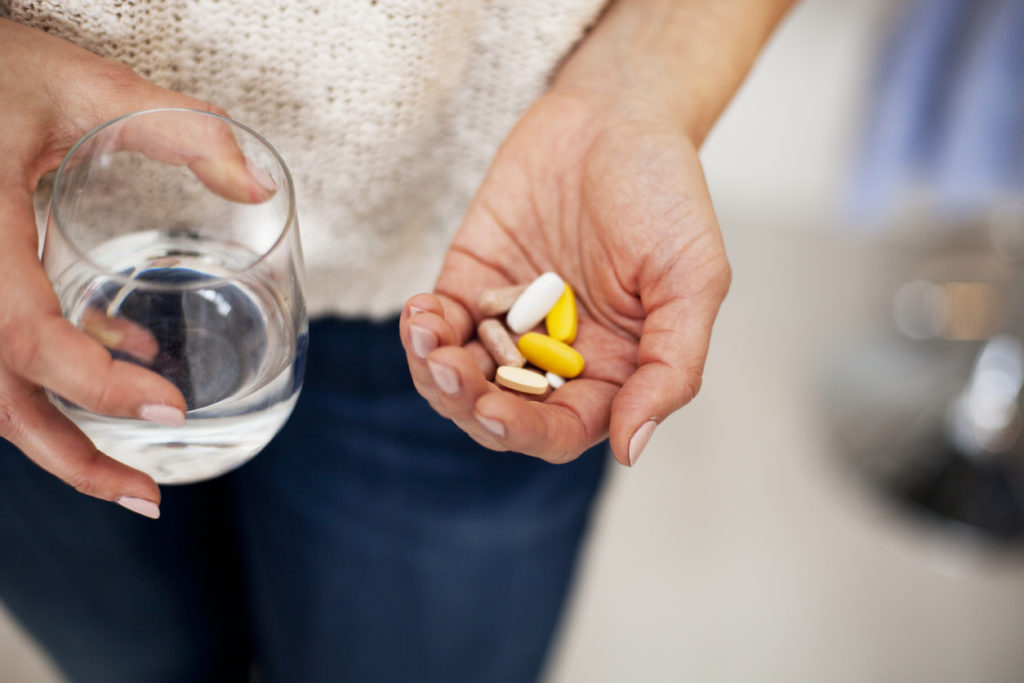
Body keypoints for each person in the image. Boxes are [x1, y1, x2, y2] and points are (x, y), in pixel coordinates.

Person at [0, 0, 794, 680]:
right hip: (28, 289)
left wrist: (640, 82)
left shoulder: (487, 313)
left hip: (475, 246)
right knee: (133, 665)